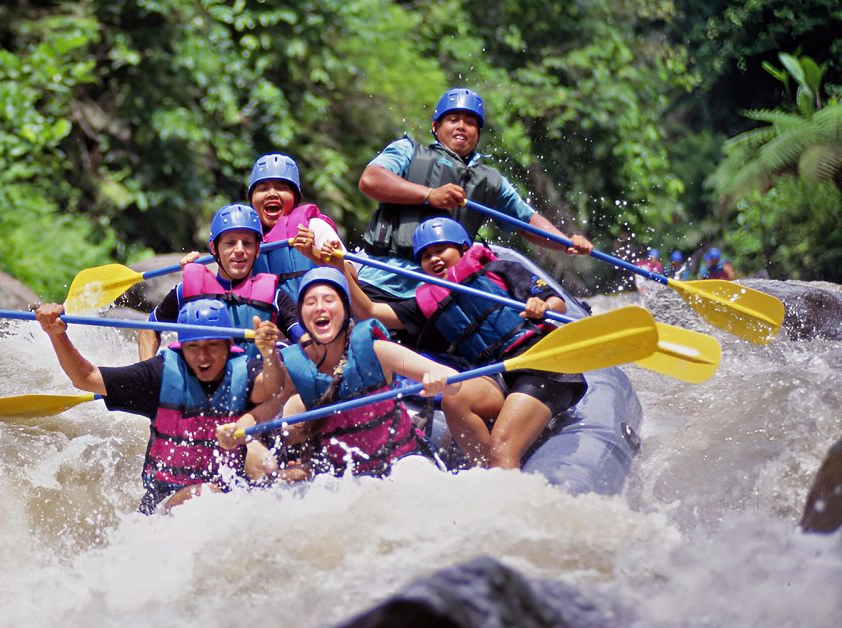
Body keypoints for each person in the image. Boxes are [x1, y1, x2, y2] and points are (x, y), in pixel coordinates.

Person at [304, 217, 587, 470]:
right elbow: (370, 311)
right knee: (455, 395)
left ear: (463, 248)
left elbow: (556, 302)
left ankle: (502, 465)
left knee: (502, 448)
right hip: (500, 376)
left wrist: (542, 306)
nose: (434, 259)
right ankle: (490, 471)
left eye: (441, 250)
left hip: (541, 363)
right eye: (426, 256)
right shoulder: (428, 304)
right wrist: (339, 267)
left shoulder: (500, 269)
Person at [36, 297, 286, 515]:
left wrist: (269, 354)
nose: (203, 357)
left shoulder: (243, 371)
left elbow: (273, 386)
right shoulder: (159, 375)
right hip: (163, 504)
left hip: (226, 496)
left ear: (228, 346)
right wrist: (57, 335)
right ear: (181, 347)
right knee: (208, 492)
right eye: (193, 347)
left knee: (268, 471)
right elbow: (86, 378)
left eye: (212, 345)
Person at [218, 267, 459, 480]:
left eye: (328, 300)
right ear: (302, 315)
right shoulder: (297, 365)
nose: (319, 308)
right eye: (310, 303)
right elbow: (262, 415)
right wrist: (236, 430)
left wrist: (438, 379)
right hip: (347, 476)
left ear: (345, 309)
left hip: (402, 461)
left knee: (411, 473)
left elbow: (453, 380)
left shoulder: (376, 351)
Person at [356, 87, 593, 300]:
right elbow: (370, 179)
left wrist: (566, 243)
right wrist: (429, 195)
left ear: (478, 133)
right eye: (453, 120)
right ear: (435, 127)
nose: (461, 126)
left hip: (446, 289)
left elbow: (527, 220)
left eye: (470, 122)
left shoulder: (490, 180)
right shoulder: (407, 150)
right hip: (386, 276)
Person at [139, 204, 304, 360]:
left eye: (247, 243)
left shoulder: (275, 296)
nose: (239, 250)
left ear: (257, 250)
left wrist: (280, 351)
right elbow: (148, 330)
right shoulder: (186, 291)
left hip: (254, 376)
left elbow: (307, 341)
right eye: (230, 243)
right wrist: (146, 372)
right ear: (213, 248)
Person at [246, 153, 341, 299]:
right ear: (252, 200)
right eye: (263, 189)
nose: (272, 194)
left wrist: (312, 252)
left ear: (295, 198)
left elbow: (351, 275)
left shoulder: (314, 227)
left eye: (281, 188)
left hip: (314, 310)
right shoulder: (244, 239)